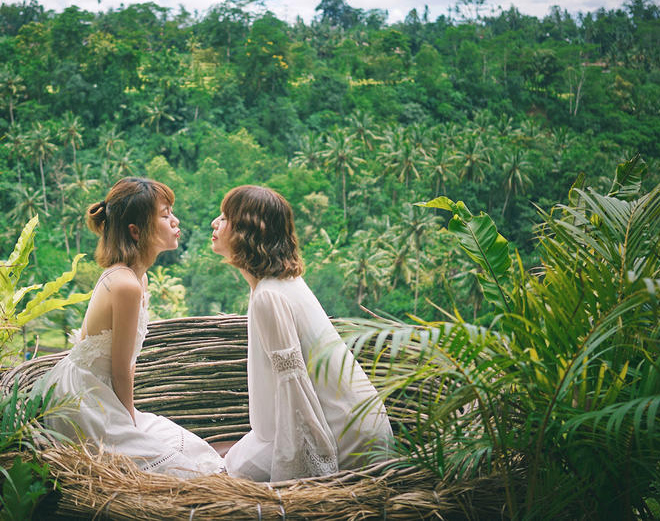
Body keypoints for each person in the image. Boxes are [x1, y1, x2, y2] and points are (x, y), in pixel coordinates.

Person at [34, 177, 223, 477]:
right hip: (83, 401)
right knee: (180, 470)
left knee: (195, 451)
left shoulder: (138, 278)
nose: (175, 221)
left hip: (102, 393)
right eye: (165, 215)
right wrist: (130, 423)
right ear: (136, 231)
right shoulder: (124, 284)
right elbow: (121, 370)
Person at [211, 185, 393, 482]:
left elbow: (294, 391)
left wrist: (299, 474)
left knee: (228, 470)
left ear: (246, 231)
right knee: (228, 458)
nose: (214, 223)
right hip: (358, 426)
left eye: (224, 217)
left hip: (347, 438)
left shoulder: (270, 296)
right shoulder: (281, 284)